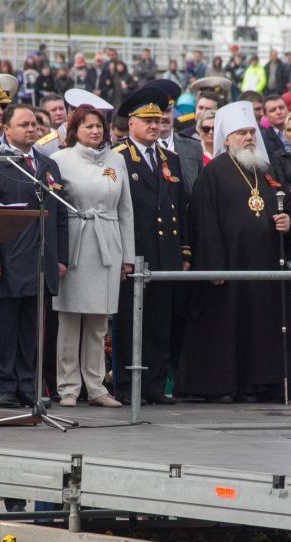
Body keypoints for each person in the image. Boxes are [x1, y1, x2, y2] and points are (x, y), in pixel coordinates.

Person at [176, 101, 291, 403]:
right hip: (229, 267)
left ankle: (260, 385)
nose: (249, 138)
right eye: (242, 133)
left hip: (265, 266)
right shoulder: (214, 172)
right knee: (228, 328)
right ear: (227, 139)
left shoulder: (265, 171)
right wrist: (213, 265)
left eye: (252, 132)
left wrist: (287, 224)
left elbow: (287, 209)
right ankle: (225, 386)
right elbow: (203, 221)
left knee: (262, 328)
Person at [50, 105, 134, 408]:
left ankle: (97, 387)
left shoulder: (116, 159)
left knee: (100, 321)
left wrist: (128, 255)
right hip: (76, 240)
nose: (96, 131)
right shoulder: (60, 159)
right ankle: (68, 387)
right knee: (70, 320)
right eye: (88, 126)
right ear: (75, 130)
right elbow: (55, 210)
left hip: (107, 242)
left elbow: (125, 210)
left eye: (99, 126)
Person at [111, 87, 189, 406]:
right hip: (135, 251)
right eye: (148, 121)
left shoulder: (170, 159)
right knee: (130, 324)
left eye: (158, 120)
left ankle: (154, 384)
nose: (155, 126)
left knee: (159, 323)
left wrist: (184, 250)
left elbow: (180, 207)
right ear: (131, 123)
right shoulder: (117, 157)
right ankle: (127, 385)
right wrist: (122, 255)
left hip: (165, 251)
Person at [0, 104, 68, 409]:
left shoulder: (47, 165)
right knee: (6, 328)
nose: (32, 129)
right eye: (24, 124)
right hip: (10, 258)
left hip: (41, 259)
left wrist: (61, 257)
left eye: (34, 124)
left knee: (32, 329)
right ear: (6, 129)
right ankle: (4, 385)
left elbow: (60, 214)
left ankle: (27, 384)